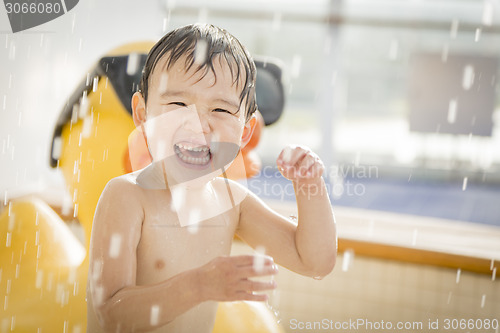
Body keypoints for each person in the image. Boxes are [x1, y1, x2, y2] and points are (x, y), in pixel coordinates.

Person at [87, 23, 337, 333]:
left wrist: (310, 186)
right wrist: (198, 286)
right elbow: (112, 316)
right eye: (178, 104)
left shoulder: (232, 203)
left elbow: (314, 261)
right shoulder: (126, 196)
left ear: (244, 134)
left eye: (220, 110)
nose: (197, 124)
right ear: (142, 115)